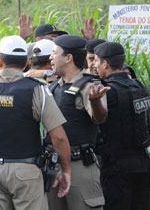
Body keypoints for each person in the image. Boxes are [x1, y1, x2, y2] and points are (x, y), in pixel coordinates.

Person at [0, 35, 71, 210]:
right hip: (27, 171)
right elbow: (59, 137)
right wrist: (66, 170)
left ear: (0, 60)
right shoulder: (37, 89)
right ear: (25, 63)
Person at [46, 35, 107, 210]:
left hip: (79, 165)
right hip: (53, 164)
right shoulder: (53, 87)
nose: (50, 57)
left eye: (54, 53)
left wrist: (95, 102)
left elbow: (100, 118)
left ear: (68, 57)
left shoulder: (89, 86)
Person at [93, 42, 150, 210]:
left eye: (96, 61)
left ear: (105, 64)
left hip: (116, 166)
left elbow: (98, 119)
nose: (94, 65)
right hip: (142, 164)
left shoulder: (106, 91)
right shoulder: (140, 86)